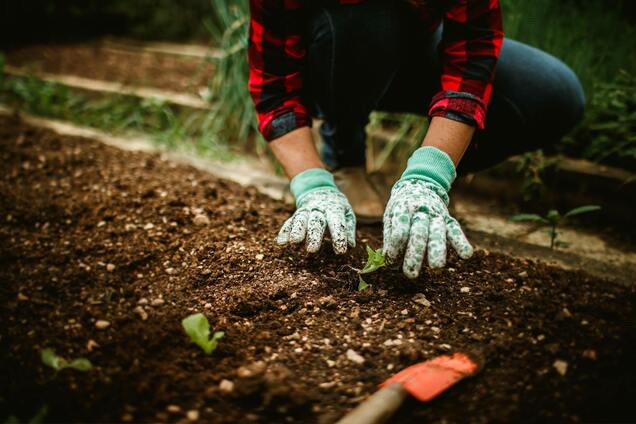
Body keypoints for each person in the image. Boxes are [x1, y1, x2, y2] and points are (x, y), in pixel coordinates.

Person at [247, 0, 585, 279]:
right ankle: (343, 155)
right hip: (333, 53)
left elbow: (471, 55)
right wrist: (313, 187)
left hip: (420, 42)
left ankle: (421, 179)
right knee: (368, 18)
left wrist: (428, 176)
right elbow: (274, 90)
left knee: (553, 92)